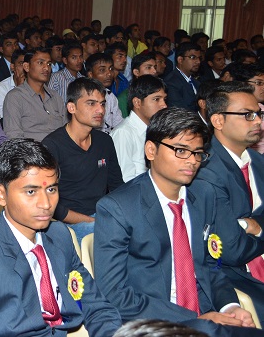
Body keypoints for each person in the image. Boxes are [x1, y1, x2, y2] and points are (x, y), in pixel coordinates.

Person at [95, 107, 261, 337]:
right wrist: (191, 319)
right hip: (155, 323)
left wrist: (229, 307)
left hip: (207, 315)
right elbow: (115, 293)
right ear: (151, 150)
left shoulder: (204, 195)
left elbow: (212, 265)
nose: (192, 161)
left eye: (198, 153)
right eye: (181, 150)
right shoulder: (118, 208)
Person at [0, 138, 122, 337]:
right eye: (31, 192)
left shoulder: (60, 236)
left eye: (51, 189)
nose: (46, 204)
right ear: (1, 195)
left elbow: (98, 307)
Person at [191, 82, 264, 319]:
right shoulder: (207, 171)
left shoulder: (257, 160)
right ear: (218, 121)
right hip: (233, 275)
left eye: (259, 114)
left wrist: (256, 227)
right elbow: (233, 250)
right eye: (247, 115)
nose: (257, 121)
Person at [42, 77, 123, 243]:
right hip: (67, 223)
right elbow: (49, 203)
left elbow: (117, 187)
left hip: (102, 215)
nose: (100, 110)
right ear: (71, 107)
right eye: (91, 103)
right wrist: (92, 221)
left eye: (102, 104)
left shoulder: (104, 141)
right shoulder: (52, 145)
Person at [111, 75, 168, 182]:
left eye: (164, 99)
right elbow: (125, 181)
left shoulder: (157, 130)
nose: (164, 105)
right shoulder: (123, 133)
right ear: (137, 102)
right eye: (156, 99)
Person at [3, 47, 67, 141]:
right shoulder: (15, 97)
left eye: (49, 64)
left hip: (60, 147)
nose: (46, 68)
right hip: (32, 149)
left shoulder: (55, 96)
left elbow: (67, 130)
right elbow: (14, 137)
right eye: (40, 63)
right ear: (26, 67)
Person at [86, 52, 124, 133]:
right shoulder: (85, 97)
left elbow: (119, 124)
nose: (109, 74)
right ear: (90, 74)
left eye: (111, 69)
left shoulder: (110, 96)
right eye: (102, 70)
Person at [117, 52, 158, 117]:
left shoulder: (159, 92)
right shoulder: (124, 98)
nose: (154, 71)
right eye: (148, 67)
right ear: (136, 72)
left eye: (155, 67)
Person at [164, 42, 201, 111]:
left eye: (199, 58)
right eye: (193, 57)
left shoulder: (196, 82)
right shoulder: (171, 82)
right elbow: (180, 111)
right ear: (180, 60)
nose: (198, 61)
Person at [0, 48, 25, 121]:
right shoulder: (0, 88)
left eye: (28, 64)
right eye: (21, 63)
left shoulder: (35, 85)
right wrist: (20, 88)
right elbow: (7, 117)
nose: (25, 67)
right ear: (12, 67)